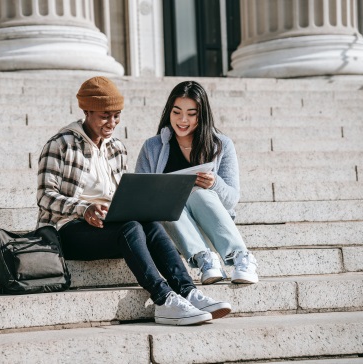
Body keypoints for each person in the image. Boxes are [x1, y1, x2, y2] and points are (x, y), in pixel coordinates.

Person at [36, 76, 232, 326]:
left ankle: (188, 291)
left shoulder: (116, 147)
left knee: (149, 224)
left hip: (110, 225)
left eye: (117, 115)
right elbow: (44, 196)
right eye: (105, 115)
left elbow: (123, 193)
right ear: (86, 110)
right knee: (131, 228)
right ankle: (163, 299)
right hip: (67, 230)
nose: (112, 123)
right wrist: (84, 209)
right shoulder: (60, 145)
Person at [135, 80, 258, 285]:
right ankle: (206, 261)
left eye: (191, 114)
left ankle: (241, 258)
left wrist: (214, 183)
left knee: (200, 193)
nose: (183, 120)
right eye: (176, 112)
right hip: (175, 228)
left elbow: (231, 201)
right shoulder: (152, 147)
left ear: (202, 115)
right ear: (169, 112)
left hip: (212, 224)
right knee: (167, 201)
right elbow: (140, 195)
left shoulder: (221, 145)